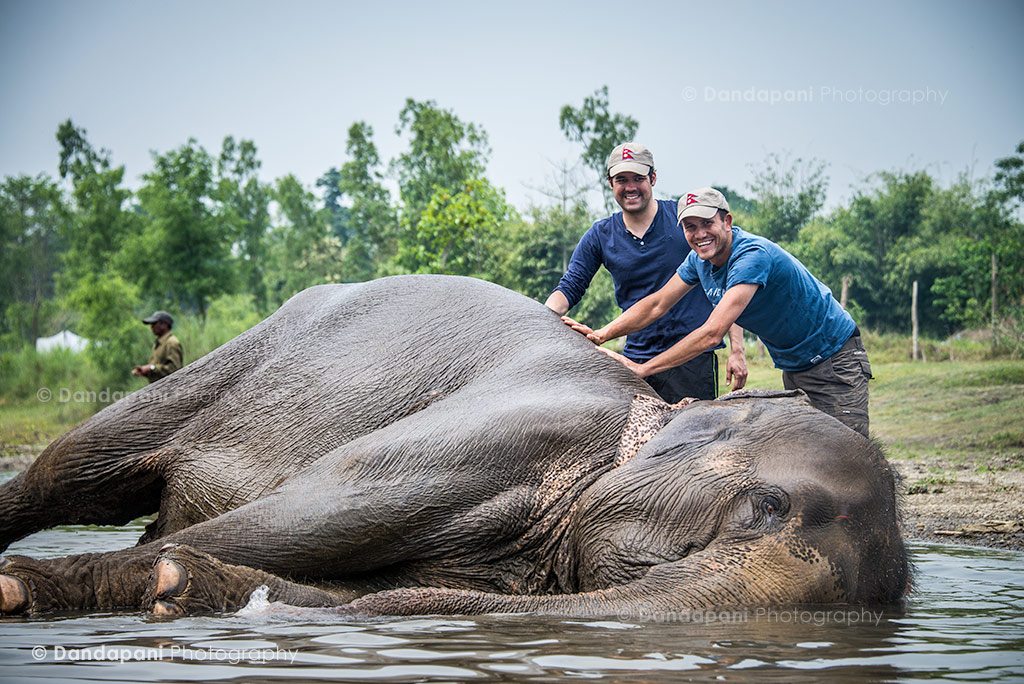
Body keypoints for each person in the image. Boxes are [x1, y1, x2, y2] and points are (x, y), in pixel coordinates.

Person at [569, 187, 872, 436]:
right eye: (690, 227)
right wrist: (601, 334)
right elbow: (658, 303)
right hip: (794, 364)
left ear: (727, 221)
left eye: (707, 223)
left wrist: (644, 369)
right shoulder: (698, 261)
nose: (700, 234)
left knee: (849, 457)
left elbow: (712, 332)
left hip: (833, 356)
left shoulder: (751, 256)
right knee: (812, 450)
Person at [545, 143, 747, 402]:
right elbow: (570, 287)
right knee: (636, 427)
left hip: (691, 357)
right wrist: (540, 320)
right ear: (610, 183)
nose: (630, 187)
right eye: (622, 180)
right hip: (635, 359)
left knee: (691, 429)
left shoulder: (685, 223)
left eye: (638, 178)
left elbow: (727, 280)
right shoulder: (601, 235)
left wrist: (737, 349)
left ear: (653, 178)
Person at [132, 310, 183, 383]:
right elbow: (159, 371)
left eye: (154, 323)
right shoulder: (158, 344)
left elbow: (175, 369)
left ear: (164, 325)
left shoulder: (172, 343)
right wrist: (145, 371)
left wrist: (151, 368)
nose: (151, 327)